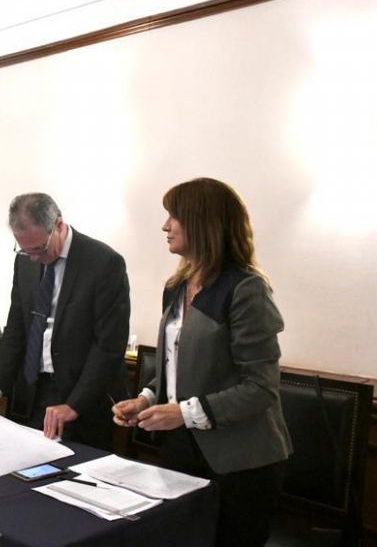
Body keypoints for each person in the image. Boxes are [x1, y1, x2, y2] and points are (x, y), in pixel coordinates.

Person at [112, 178, 290, 547]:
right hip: (182, 451)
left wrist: (182, 413)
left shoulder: (245, 290)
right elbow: (174, 369)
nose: (165, 226)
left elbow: (260, 388)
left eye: (174, 216)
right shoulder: (176, 287)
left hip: (241, 463)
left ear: (203, 222)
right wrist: (146, 399)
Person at [0, 193, 130, 449]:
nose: (33, 257)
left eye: (39, 249)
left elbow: (109, 345)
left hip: (83, 394)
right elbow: (16, 329)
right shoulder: (25, 261)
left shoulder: (103, 263)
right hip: (33, 389)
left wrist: (75, 404)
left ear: (58, 225)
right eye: (24, 249)